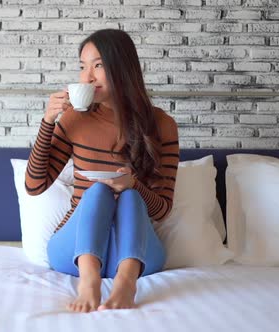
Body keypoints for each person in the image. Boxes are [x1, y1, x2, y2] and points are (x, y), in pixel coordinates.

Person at [25, 29, 180, 313]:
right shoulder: (73, 120)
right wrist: (49, 121)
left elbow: (161, 211)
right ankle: (89, 280)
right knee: (98, 191)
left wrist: (133, 184)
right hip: (73, 252)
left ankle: (126, 283)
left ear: (121, 68)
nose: (87, 77)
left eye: (97, 65)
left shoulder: (162, 125)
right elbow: (34, 186)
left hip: (134, 254)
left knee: (131, 196)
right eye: (83, 67)